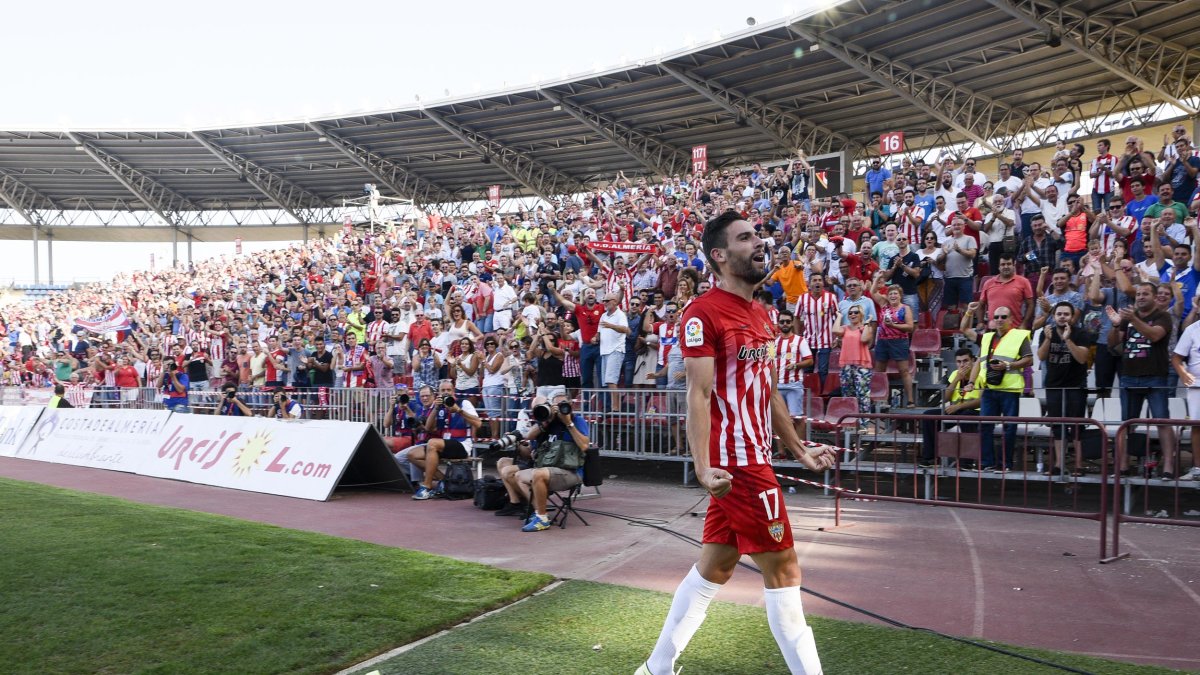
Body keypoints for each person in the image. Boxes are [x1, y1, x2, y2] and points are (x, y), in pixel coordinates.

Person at [639, 211, 835, 675]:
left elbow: (765, 391)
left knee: (715, 568)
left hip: (753, 458)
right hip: (738, 465)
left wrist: (799, 449)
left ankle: (655, 669)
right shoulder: (701, 313)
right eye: (745, 238)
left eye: (758, 235)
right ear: (720, 256)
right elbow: (698, 395)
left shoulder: (761, 314)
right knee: (785, 571)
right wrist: (704, 468)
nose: (759, 243)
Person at [1107, 282, 1176, 478]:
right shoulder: (1128, 317)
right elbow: (1113, 343)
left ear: (1155, 297)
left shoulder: (1163, 316)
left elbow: (1155, 336)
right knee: (1126, 424)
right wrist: (1114, 325)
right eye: (1138, 294)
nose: (1140, 297)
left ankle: (1169, 467)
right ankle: (1123, 466)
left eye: (1145, 294)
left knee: (1162, 421)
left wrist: (1133, 319)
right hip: (1129, 376)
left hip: (1155, 376)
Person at [497, 392, 592, 532]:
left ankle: (542, 519)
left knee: (538, 474)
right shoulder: (548, 423)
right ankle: (536, 511)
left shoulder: (577, 421)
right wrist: (547, 420)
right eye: (556, 406)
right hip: (549, 469)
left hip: (570, 472)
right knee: (518, 475)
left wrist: (568, 423)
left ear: (570, 406)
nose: (559, 409)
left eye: (562, 405)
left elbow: (584, 446)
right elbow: (529, 438)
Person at [966, 306, 1032, 472]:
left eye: (1004, 316)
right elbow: (978, 362)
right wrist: (972, 382)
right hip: (989, 389)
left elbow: (1029, 360)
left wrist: (1008, 365)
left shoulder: (1019, 336)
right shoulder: (987, 338)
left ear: (1011, 319)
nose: (1000, 319)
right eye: (997, 317)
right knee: (985, 426)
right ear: (993, 320)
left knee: (1009, 428)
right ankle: (986, 462)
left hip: (1010, 389)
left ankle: (1005, 464)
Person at [1037, 302, 1094, 476]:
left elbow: (1082, 358)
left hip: (1075, 385)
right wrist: (1047, 339)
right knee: (1057, 427)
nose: (1062, 317)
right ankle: (1059, 464)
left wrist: (1068, 339)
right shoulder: (1047, 333)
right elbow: (1041, 356)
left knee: (1076, 426)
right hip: (1054, 385)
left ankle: (1078, 465)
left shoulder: (1081, 333)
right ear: (1054, 317)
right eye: (1059, 314)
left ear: (1072, 316)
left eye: (1066, 314)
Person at [407, 380, 482, 500]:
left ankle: (426, 487)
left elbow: (478, 424)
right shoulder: (440, 407)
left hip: (462, 444)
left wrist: (459, 410)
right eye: (443, 390)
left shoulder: (463, 403)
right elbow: (428, 428)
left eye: (448, 390)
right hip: (445, 444)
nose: (446, 393)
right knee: (412, 454)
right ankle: (444, 481)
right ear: (439, 393)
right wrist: (435, 409)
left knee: (433, 443)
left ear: (453, 391)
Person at [918, 349, 980, 468]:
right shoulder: (954, 374)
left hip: (975, 411)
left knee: (966, 417)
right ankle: (931, 458)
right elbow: (945, 398)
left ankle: (967, 462)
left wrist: (958, 406)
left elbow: (982, 401)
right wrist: (957, 379)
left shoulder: (980, 375)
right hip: (956, 410)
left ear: (973, 360)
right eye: (959, 362)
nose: (962, 365)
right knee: (929, 416)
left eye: (965, 361)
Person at [870, 282, 915, 405]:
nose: (893, 296)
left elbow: (910, 327)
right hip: (883, 340)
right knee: (879, 371)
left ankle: (910, 400)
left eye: (895, 293)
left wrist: (893, 325)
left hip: (899, 340)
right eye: (890, 294)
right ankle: (878, 399)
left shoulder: (905, 308)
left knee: (904, 371)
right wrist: (878, 278)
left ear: (900, 295)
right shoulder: (884, 304)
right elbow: (873, 292)